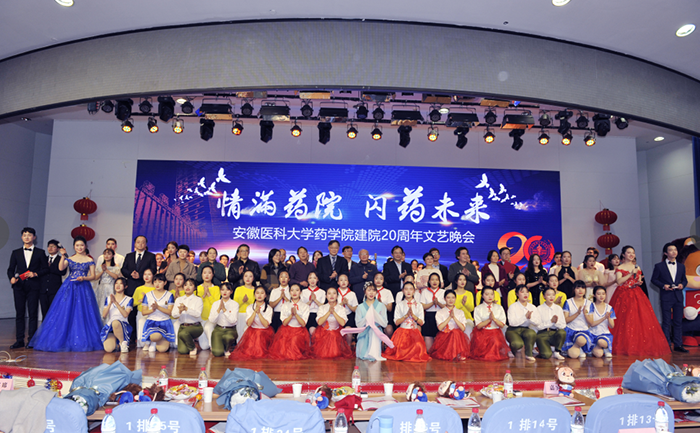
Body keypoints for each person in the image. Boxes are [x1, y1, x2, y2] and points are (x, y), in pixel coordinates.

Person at [30, 236, 103, 352]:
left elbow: (93, 276)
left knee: (82, 312)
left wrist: (84, 278)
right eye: (77, 245)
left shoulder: (89, 260)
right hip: (69, 287)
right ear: (74, 246)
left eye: (82, 245)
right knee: (65, 311)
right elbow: (60, 268)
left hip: (83, 287)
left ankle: (80, 339)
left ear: (86, 246)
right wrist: (63, 255)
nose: (79, 247)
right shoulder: (70, 258)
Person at [610, 245, 671, 357]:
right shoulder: (620, 267)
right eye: (629, 252)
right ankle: (623, 346)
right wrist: (630, 274)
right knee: (623, 320)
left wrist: (638, 282)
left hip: (636, 294)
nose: (631, 255)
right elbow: (619, 281)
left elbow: (637, 280)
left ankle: (639, 346)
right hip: (623, 295)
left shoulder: (636, 267)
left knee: (639, 319)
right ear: (623, 254)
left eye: (633, 253)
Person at [7, 227, 48, 349]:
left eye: (29, 235)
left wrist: (35, 274)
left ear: (34, 237)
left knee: (33, 314)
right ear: (21, 237)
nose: (27, 237)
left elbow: (46, 269)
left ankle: (31, 340)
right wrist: (11, 278)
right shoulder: (16, 252)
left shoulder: (40, 252)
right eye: (24, 235)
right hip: (19, 286)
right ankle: (19, 340)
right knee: (19, 314)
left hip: (34, 287)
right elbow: (10, 269)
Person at [651, 242, 688, 353]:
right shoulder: (659, 266)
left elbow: (684, 280)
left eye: (675, 250)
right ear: (666, 253)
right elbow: (654, 279)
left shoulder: (681, 266)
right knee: (666, 321)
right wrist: (663, 286)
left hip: (678, 296)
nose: (674, 252)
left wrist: (682, 285)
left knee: (678, 321)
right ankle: (666, 345)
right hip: (666, 296)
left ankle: (678, 344)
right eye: (671, 250)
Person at [121, 235, 156, 342]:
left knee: (143, 311)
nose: (140, 244)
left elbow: (153, 270)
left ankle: (143, 336)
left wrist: (140, 275)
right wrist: (131, 274)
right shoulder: (129, 256)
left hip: (145, 285)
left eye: (143, 242)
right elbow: (123, 269)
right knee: (131, 312)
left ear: (146, 244)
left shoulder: (150, 256)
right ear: (135, 243)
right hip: (131, 286)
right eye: (138, 242)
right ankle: (132, 336)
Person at [383, 282, 430, 362]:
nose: (408, 291)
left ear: (414, 291)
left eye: (411, 289)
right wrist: (406, 316)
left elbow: (421, 322)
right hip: (402, 333)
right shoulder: (399, 305)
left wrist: (414, 316)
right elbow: (396, 322)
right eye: (406, 289)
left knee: (417, 347)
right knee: (400, 349)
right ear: (403, 291)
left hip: (414, 332)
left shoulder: (419, 305)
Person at [347, 283, 390, 361]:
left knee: (374, 354)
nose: (371, 293)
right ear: (365, 292)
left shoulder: (382, 306)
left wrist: (375, 316)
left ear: (376, 292)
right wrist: (367, 318)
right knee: (361, 354)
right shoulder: (360, 307)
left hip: (376, 332)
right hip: (364, 332)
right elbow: (358, 324)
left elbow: (384, 323)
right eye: (369, 290)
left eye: (373, 290)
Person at [268, 284, 311, 360]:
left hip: (299, 331)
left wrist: (296, 314)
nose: (294, 292)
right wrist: (291, 315)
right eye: (292, 290)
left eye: (297, 290)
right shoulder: (285, 305)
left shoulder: (305, 306)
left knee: (294, 341)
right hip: (286, 330)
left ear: (300, 292)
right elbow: (284, 323)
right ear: (289, 292)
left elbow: (303, 324)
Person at [230, 286, 273, 360]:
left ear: (265, 295)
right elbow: (249, 323)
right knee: (249, 353)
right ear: (254, 295)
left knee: (260, 353)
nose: (259, 295)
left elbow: (266, 324)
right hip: (252, 332)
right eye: (257, 293)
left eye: (262, 293)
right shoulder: (249, 307)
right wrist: (254, 312)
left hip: (264, 333)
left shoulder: (269, 308)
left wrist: (259, 313)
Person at [429, 289, 471, 361]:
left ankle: (456, 353)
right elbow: (440, 328)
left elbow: (463, 328)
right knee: (454, 333)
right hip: (445, 337)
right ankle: (454, 354)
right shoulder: (440, 312)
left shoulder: (460, 312)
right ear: (444, 299)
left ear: (455, 298)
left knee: (455, 332)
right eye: (448, 297)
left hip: (458, 337)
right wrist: (449, 317)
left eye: (453, 297)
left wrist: (454, 317)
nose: (451, 300)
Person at [312, 286, 353, 359]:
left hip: (337, 332)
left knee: (335, 352)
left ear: (337, 296)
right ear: (326, 296)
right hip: (324, 333)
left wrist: (334, 312)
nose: (331, 295)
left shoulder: (341, 308)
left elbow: (342, 323)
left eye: (334, 293)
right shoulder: (322, 307)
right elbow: (319, 323)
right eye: (329, 293)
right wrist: (328, 312)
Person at [471, 287, 509, 361]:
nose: (490, 296)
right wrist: (489, 320)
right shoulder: (478, 308)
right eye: (487, 294)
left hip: (495, 331)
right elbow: (478, 326)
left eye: (492, 294)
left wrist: (494, 319)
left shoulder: (499, 307)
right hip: (482, 332)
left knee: (495, 342)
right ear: (482, 296)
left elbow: (502, 325)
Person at [506, 284, 542, 361]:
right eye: (522, 292)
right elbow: (512, 322)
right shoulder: (513, 306)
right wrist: (525, 317)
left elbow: (538, 322)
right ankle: (512, 350)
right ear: (517, 294)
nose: (525, 294)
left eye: (527, 292)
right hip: (513, 330)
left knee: (531, 333)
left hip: (526, 329)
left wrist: (530, 318)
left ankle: (528, 354)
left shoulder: (532, 307)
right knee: (517, 344)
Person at [141, 274, 175, 353]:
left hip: (165, 322)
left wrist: (158, 307)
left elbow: (170, 312)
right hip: (152, 322)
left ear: (165, 283)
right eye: (155, 282)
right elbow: (143, 312)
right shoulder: (148, 295)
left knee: (162, 350)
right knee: (155, 337)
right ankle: (153, 341)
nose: (157, 284)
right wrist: (152, 310)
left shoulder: (169, 295)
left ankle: (156, 341)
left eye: (160, 282)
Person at [100, 277, 133, 353]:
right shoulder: (108, 298)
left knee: (115, 322)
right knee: (109, 349)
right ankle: (117, 343)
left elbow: (125, 315)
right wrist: (110, 303)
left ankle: (122, 343)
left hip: (122, 325)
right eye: (116, 283)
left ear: (125, 286)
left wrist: (116, 303)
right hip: (110, 326)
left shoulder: (129, 299)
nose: (118, 285)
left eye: (121, 284)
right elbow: (104, 315)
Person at [172, 278, 204, 355]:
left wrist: (186, 309)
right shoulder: (179, 299)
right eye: (185, 285)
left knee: (183, 333)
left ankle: (193, 347)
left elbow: (197, 314)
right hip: (183, 326)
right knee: (182, 351)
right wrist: (180, 311)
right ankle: (190, 340)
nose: (187, 287)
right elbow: (173, 314)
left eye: (190, 285)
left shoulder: (198, 300)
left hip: (195, 326)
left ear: (195, 287)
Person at [562, 281, 593, 359]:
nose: (580, 290)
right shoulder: (568, 302)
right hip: (570, 330)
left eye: (583, 288)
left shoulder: (589, 303)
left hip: (583, 330)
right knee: (573, 355)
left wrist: (585, 314)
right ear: (574, 289)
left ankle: (579, 346)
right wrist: (577, 313)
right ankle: (577, 348)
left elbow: (591, 323)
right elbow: (565, 320)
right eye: (578, 288)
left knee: (581, 340)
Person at [208, 283, 240, 357]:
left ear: (231, 292)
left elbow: (233, 321)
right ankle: (220, 346)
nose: (225, 292)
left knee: (228, 337)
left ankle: (227, 348)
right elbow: (211, 320)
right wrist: (218, 310)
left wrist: (225, 310)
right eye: (222, 290)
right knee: (217, 353)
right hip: (218, 329)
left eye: (227, 289)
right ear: (220, 291)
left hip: (230, 330)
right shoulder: (216, 304)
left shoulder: (235, 304)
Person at [535, 287, 567, 360]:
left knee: (562, 332)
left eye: (553, 295)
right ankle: (544, 348)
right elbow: (538, 326)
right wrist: (550, 322)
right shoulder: (539, 308)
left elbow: (563, 325)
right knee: (546, 355)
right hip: (542, 334)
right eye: (548, 295)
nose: (551, 297)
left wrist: (556, 322)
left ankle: (557, 352)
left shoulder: (558, 308)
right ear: (544, 296)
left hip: (554, 333)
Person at [586, 285, 615, 358]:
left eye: (603, 294)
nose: (601, 296)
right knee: (598, 355)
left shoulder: (609, 307)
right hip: (592, 334)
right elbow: (592, 324)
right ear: (594, 295)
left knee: (601, 342)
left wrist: (608, 318)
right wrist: (604, 318)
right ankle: (594, 347)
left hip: (604, 334)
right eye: (598, 294)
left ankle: (606, 348)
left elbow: (612, 326)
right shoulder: (591, 306)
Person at [196, 265, 220, 349]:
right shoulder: (197, 288)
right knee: (204, 347)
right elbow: (196, 304)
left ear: (213, 274)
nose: (207, 275)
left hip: (212, 318)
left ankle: (214, 346)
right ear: (201, 274)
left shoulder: (216, 288)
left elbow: (216, 304)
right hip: (201, 318)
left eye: (209, 273)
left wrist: (209, 294)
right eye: (204, 273)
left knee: (208, 327)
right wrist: (203, 295)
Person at [420, 272, 445, 351]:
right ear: (429, 281)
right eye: (432, 279)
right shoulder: (424, 292)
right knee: (429, 350)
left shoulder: (443, 292)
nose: (434, 282)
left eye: (437, 280)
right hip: (429, 317)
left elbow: (446, 307)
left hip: (440, 317)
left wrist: (438, 303)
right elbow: (422, 307)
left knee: (439, 348)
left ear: (439, 281)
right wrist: (432, 303)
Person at [41, 239, 65, 318]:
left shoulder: (61, 259)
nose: (50, 248)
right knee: (44, 312)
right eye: (49, 246)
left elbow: (62, 272)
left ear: (58, 249)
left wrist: (50, 267)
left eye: (53, 246)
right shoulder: (43, 259)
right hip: (43, 289)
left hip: (55, 289)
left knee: (54, 312)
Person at [132, 268, 155, 347]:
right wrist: (140, 301)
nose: (147, 276)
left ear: (153, 276)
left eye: (149, 274)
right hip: (141, 313)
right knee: (141, 331)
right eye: (145, 274)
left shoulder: (155, 288)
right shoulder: (139, 289)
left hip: (153, 313)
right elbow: (132, 303)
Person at [233, 270, 256, 342]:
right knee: (240, 334)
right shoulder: (238, 289)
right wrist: (243, 301)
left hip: (251, 315)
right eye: (246, 276)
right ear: (243, 278)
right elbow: (234, 305)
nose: (248, 278)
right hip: (240, 314)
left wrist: (248, 301)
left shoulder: (256, 290)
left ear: (253, 278)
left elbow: (256, 305)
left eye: (250, 276)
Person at [301, 272, 326, 337]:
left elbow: (322, 306)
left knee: (314, 333)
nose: (312, 280)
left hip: (318, 314)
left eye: (314, 278)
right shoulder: (303, 292)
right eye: (310, 278)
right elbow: (302, 306)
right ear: (307, 280)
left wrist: (315, 300)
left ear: (317, 279)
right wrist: (310, 301)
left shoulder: (322, 292)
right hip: (306, 314)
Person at [337, 274, 358, 345]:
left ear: (348, 282)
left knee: (348, 331)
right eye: (341, 280)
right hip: (337, 316)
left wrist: (347, 304)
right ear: (338, 282)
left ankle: (348, 347)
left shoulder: (352, 294)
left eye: (345, 280)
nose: (343, 282)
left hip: (349, 315)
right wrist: (342, 303)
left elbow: (355, 309)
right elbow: (332, 307)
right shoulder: (335, 293)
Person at [373, 273, 394, 338]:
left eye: (381, 278)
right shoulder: (369, 291)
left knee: (389, 330)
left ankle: (387, 343)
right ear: (373, 280)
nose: (378, 280)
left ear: (384, 280)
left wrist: (381, 303)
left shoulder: (388, 292)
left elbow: (390, 309)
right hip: (373, 315)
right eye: (376, 278)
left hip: (385, 315)